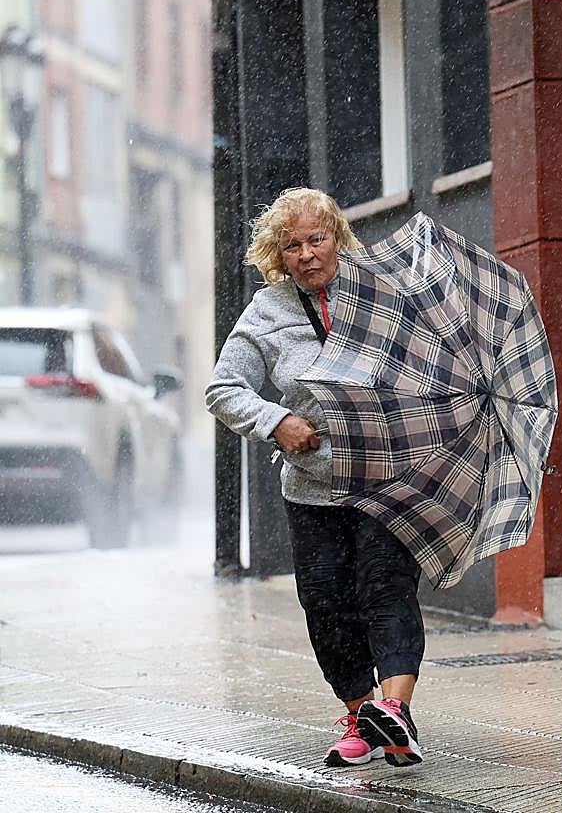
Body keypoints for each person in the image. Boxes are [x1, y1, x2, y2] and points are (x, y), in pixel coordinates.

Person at [206, 187, 425, 769]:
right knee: (326, 605)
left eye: (316, 239)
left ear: (338, 237)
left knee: (386, 590)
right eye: (292, 244)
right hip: (312, 489)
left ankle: (395, 714)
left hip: (383, 479)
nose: (306, 254)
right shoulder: (269, 311)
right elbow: (222, 388)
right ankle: (361, 716)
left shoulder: (383, 290)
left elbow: (426, 365)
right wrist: (276, 421)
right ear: (278, 253)